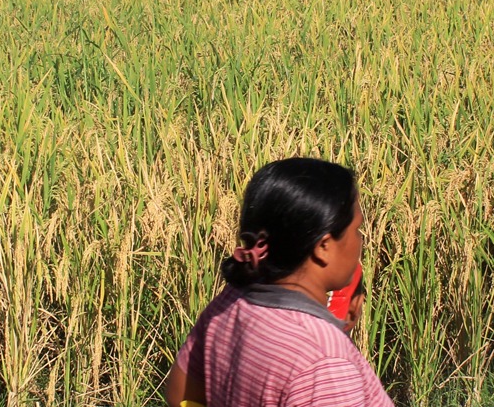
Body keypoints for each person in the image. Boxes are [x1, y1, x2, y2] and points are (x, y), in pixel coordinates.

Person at [164, 158, 392, 407]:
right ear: (324, 247)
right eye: (356, 229)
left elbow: (181, 396)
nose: (361, 241)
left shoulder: (232, 301)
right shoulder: (323, 359)